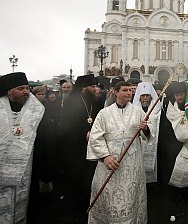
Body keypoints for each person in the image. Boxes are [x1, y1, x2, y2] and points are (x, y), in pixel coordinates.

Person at [87, 81, 152, 223]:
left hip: (132, 166)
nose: (129, 93)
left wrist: (145, 128)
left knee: (131, 197)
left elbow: (148, 134)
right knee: (109, 198)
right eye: (125, 90)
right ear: (116, 92)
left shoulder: (138, 111)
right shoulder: (104, 113)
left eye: (130, 90)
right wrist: (105, 157)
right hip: (111, 164)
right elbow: (95, 137)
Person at [0, 72, 45, 223]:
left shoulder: (36, 111)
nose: (26, 91)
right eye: (21, 88)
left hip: (27, 172)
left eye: (27, 88)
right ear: (9, 91)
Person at [58, 74, 101, 218]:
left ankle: (88, 204)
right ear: (84, 89)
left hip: (91, 147)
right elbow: (67, 126)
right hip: (75, 148)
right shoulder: (72, 102)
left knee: (89, 178)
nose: (95, 89)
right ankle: (77, 207)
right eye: (92, 87)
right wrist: (84, 133)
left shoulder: (95, 102)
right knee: (77, 178)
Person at [132, 82, 161, 184]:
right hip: (139, 145)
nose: (145, 98)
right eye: (142, 96)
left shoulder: (157, 109)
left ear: (151, 96)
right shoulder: (134, 110)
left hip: (154, 144)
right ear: (139, 97)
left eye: (147, 96)